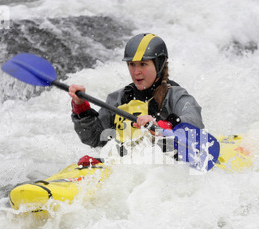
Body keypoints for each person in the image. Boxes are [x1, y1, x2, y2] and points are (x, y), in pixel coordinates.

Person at [68, 33, 205, 153]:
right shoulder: (118, 99)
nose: (136, 72)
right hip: (127, 166)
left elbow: (195, 123)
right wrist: (81, 108)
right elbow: (95, 139)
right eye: (132, 64)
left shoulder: (175, 95)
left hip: (161, 165)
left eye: (143, 64)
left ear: (159, 64)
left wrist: (162, 126)